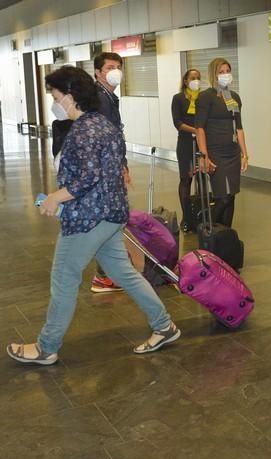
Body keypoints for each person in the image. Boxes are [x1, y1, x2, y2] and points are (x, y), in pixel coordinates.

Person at [6, 66, 180, 366]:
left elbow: (86, 178)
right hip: (111, 214)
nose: (54, 102)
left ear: (70, 97)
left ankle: (46, 347)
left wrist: (53, 199)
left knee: (63, 277)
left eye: (55, 95)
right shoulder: (103, 124)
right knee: (124, 273)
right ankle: (164, 326)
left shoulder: (84, 130)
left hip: (89, 219)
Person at [195, 57, 249, 229]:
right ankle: (207, 229)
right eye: (221, 72)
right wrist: (204, 155)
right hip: (215, 152)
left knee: (231, 195)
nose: (225, 75)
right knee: (222, 196)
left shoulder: (233, 97)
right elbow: (199, 129)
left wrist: (244, 154)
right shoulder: (206, 97)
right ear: (213, 74)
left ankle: (225, 234)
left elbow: (239, 128)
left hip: (232, 152)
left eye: (227, 71)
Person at [90, 52, 126, 293]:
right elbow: (104, 138)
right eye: (110, 67)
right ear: (98, 73)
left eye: (119, 67)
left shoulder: (110, 97)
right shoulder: (99, 100)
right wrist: (116, 167)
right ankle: (103, 276)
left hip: (111, 166)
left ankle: (107, 273)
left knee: (111, 220)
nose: (116, 71)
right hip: (105, 170)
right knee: (108, 220)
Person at [171, 68, 201, 232]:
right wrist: (196, 130)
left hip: (202, 144)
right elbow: (178, 123)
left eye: (198, 78)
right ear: (185, 81)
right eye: (192, 78)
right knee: (186, 179)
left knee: (202, 180)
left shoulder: (202, 98)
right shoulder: (178, 99)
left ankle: (200, 214)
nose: (196, 80)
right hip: (185, 144)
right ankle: (186, 217)